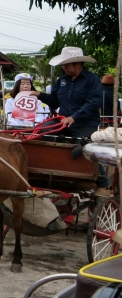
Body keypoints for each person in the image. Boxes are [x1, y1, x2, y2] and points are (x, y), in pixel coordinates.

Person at [30, 47, 109, 193]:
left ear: (78, 64)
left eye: (67, 65)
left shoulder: (92, 80)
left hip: (85, 123)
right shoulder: (62, 80)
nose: (64, 67)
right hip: (63, 121)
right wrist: (39, 95)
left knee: (87, 146)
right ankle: (61, 158)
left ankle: (103, 183)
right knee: (43, 130)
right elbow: (55, 102)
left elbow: (93, 103)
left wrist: (74, 117)